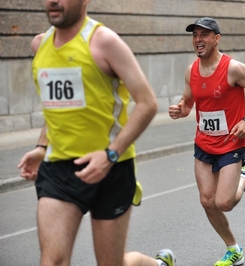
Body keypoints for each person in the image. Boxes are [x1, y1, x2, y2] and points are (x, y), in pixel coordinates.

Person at [17, 0, 176, 265]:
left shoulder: (104, 42)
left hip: (110, 168)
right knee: (51, 261)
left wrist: (110, 154)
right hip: (59, 169)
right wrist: (42, 147)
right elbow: (58, 108)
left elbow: (147, 102)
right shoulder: (39, 45)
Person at [168, 17, 245, 266]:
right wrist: (182, 108)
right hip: (203, 143)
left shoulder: (233, 68)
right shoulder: (191, 70)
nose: (198, 40)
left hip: (231, 144)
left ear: (216, 38)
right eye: (195, 35)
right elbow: (189, 100)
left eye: (204, 35)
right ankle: (233, 249)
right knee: (206, 200)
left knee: (223, 202)